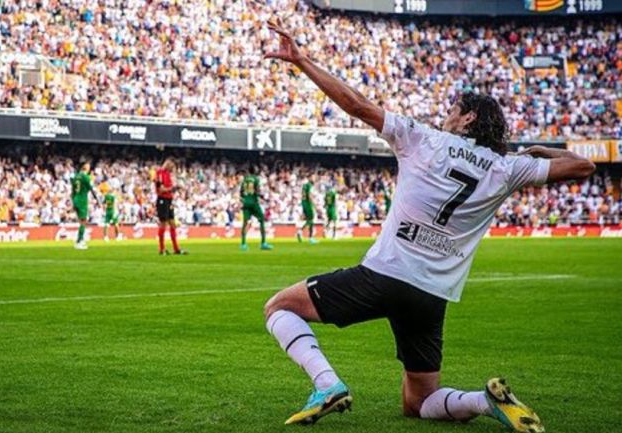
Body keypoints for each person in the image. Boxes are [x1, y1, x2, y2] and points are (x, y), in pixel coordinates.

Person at [262, 19, 595, 431]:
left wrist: (302, 61)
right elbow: (584, 165)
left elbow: (356, 104)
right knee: (418, 402)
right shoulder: (508, 168)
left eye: (452, 110)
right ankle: (484, 400)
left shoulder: (421, 138)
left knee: (279, 307)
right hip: (432, 295)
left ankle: (327, 384)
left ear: (468, 118)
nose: (446, 115)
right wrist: (539, 150)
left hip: (384, 274)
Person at [155, 158, 187, 255]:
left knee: (172, 224)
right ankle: (162, 249)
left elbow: (168, 188)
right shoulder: (159, 173)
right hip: (162, 200)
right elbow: (161, 189)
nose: (172, 168)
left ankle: (176, 249)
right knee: (163, 224)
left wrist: (175, 188)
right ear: (168, 163)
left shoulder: (168, 174)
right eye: (171, 166)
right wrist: (173, 188)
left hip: (169, 200)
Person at [240, 166, 273, 251]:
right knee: (261, 219)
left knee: (245, 223)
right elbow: (257, 191)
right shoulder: (256, 179)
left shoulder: (244, 179)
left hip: (246, 203)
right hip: (254, 203)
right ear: (255, 171)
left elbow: (241, 193)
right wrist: (263, 198)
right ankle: (263, 243)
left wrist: (245, 199)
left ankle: (243, 244)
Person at [71, 162, 99, 250]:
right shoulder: (85, 177)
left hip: (75, 199)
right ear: (86, 168)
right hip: (82, 200)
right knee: (83, 221)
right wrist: (97, 200)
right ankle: (79, 241)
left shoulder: (75, 177)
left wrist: (73, 202)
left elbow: (73, 191)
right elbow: (91, 188)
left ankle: (81, 240)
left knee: (81, 221)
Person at [297, 174, 318, 244]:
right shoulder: (309, 185)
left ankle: (301, 232)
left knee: (309, 220)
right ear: (309, 178)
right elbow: (309, 195)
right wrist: (313, 204)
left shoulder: (304, 185)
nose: (314, 179)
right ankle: (310, 238)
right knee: (311, 219)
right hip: (308, 203)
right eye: (313, 177)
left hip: (303, 203)